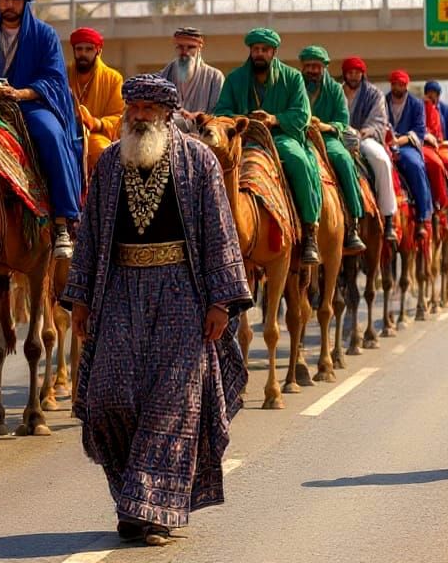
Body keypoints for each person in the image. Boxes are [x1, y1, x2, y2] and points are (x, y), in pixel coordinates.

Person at [62, 74, 251, 547]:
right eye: (134, 108)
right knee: (109, 397)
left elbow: (220, 231)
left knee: (171, 405)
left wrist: (220, 302)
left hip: (181, 295)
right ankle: (133, 496)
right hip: (121, 289)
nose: (140, 115)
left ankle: (152, 511)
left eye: (149, 108)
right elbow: (89, 234)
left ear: (167, 114)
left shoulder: (199, 161)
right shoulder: (108, 163)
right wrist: (81, 299)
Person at [0, 0, 84, 259]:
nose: (9, 5)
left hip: (30, 104)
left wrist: (20, 93)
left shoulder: (45, 35)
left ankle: (63, 222)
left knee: (50, 135)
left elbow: (54, 80)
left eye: (15, 0)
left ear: (25, 3)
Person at [214, 28, 323, 265]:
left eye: (264, 50)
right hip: (245, 139)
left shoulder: (292, 78)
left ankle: (309, 232)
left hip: (280, 137)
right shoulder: (234, 79)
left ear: (273, 52)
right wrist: (243, 120)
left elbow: (302, 114)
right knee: (214, 164)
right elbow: (221, 112)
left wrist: (274, 119)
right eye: (255, 50)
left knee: (298, 161)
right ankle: (212, 233)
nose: (259, 54)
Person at [298, 46, 366, 252]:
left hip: (327, 137)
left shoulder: (335, 89)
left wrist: (325, 126)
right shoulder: (293, 84)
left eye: (316, 66)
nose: (311, 70)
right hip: (299, 136)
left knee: (343, 160)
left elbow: (342, 123)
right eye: (308, 66)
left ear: (324, 67)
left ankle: (352, 222)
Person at [340, 56, 398, 235]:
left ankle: (388, 217)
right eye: (350, 73)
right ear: (345, 74)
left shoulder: (374, 94)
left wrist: (363, 131)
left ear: (362, 74)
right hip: (339, 137)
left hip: (365, 137)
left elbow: (379, 120)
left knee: (380, 159)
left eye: (357, 73)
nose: (354, 76)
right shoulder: (336, 91)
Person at [67, 27, 123, 175]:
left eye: (88, 49)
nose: (83, 54)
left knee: (102, 151)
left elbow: (118, 118)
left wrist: (95, 122)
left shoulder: (113, 78)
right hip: (66, 133)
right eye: (79, 49)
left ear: (98, 51)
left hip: (96, 135)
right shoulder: (63, 76)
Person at [385, 69, 434, 236]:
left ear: (406, 86)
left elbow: (419, 130)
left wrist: (398, 141)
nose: (398, 87)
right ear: (391, 85)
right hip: (384, 143)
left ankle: (422, 216)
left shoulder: (416, 104)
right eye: (395, 84)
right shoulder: (382, 101)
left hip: (407, 145)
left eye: (401, 84)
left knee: (415, 165)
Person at [158, 27, 223, 132]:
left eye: (190, 47)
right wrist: (176, 114)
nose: (185, 52)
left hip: (202, 139)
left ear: (199, 48)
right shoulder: (162, 77)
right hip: (170, 138)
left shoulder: (215, 78)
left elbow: (220, 114)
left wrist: (199, 117)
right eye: (180, 47)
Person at [424, 80, 448, 153]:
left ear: (438, 95)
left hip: (443, 145)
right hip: (424, 144)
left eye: (434, 94)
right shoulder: (419, 108)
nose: (431, 97)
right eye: (429, 94)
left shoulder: (447, 110)